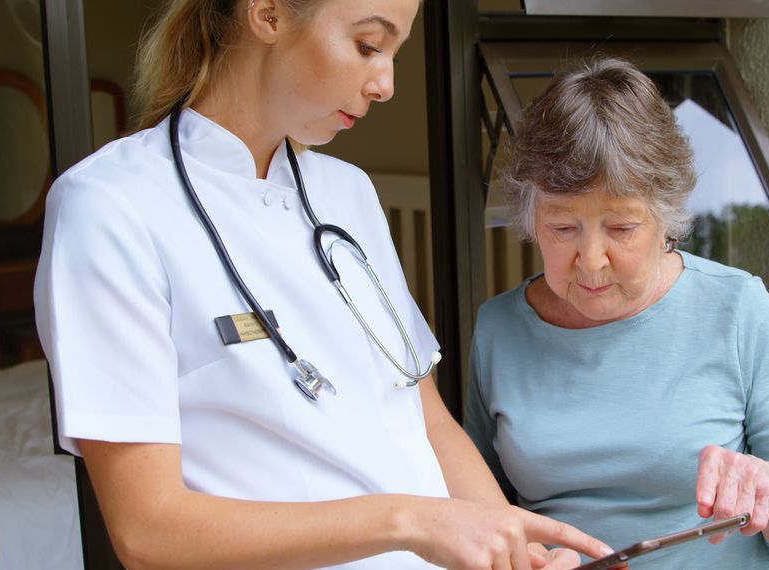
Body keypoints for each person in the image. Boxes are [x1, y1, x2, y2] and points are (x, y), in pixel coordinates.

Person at [33, 1, 615, 568]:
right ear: (268, 14)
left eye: (394, 53)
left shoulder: (347, 194)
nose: (385, 84)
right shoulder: (110, 207)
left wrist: (516, 550)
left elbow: (423, 414)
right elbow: (148, 532)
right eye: (367, 45)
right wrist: (411, 522)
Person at [463, 57, 769, 568]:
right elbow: (475, 508)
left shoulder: (739, 312)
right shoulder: (499, 329)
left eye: (621, 228)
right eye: (562, 229)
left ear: (665, 216)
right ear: (532, 219)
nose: (592, 260)